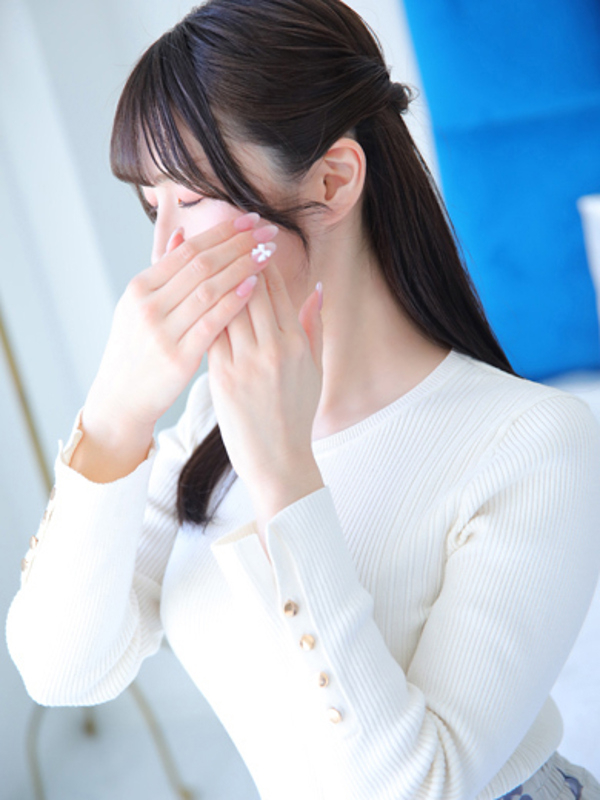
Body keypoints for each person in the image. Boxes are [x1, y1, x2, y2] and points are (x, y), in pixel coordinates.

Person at [6, 1, 600, 798]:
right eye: (152, 205)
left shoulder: (534, 442)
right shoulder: (207, 422)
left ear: (333, 179)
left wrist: (284, 474)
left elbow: (417, 785)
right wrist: (114, 420)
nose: (162, 253)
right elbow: (64, 671)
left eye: (190, 197)